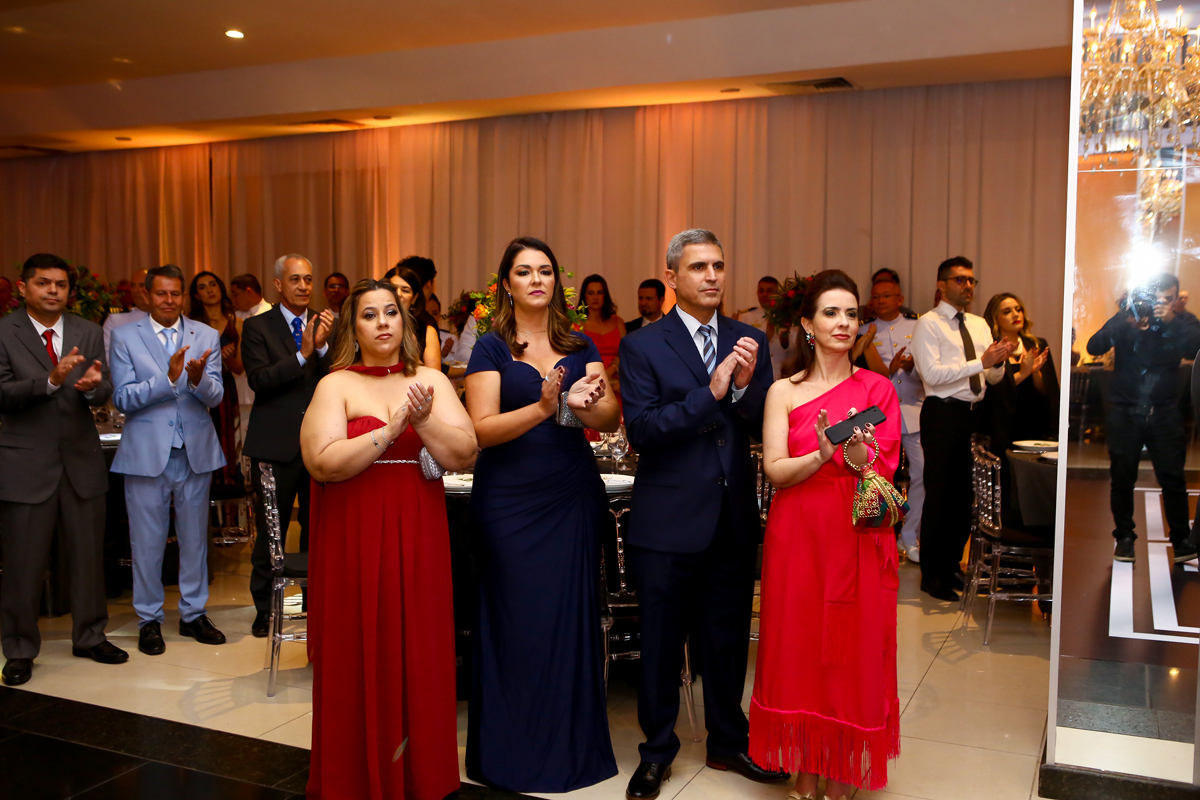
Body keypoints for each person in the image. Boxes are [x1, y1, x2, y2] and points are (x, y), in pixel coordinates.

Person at [619, 229, 782, 799]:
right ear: (672, 277)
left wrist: (742, 390)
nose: (712, 276)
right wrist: (710, 394)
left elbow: (765, 417)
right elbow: (643, 430)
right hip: (667, 520)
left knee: (728, 640)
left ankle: (728, 742)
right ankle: (656, 751)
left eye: (718, 265)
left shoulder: (748, 338)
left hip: (730, 517)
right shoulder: (643, 344)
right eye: (698, 267)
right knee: (662, 644)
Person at [302, 278, 476, 799]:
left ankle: (421, 775)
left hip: (418, 528)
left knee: (419, 645)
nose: (383, 323)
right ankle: (354, 777)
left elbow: (464, 455)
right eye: (369, 314)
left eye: (391, 313)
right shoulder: (335, 385)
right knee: (357, 647)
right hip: (354, 531)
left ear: (405, 323)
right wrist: (390, 428)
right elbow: (322, 463)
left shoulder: (432, 380)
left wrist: (423, 423)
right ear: (353, 328)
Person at [463, 237, 620, 792]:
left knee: (566, 619)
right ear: (506, 283)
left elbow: (609, 413)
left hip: (569, 493)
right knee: (515, 620)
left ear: (557, 282)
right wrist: (542, 407)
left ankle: (568, 751)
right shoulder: (490, 348)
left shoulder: (579, 343)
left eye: (545, 271)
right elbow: (481, 430)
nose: (536, 279)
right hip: (508, 500)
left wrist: (584, 406)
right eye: (524, 271)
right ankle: (509, 755)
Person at [748, 269, 901, 799]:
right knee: (798, 648)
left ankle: (841, 764)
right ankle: (804, 765)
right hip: (799, 534)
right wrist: (819, 455)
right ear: (808, 325)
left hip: (856, 533)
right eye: (831, 312)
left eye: (851, 313)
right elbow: (775, 470)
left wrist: (856, 453)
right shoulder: (782, 391)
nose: (843, 322)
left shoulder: (878, 389)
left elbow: (882, 470)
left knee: (852, 652)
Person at [0, 253, 127, 686]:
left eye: (60, 284)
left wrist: (93, 389)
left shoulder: (87, 331)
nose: (53, 291)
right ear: (24, 288)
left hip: (80, 463)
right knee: (23, 564)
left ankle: (90, 636)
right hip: (25, 465)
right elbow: (2, 393)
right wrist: (51, 381)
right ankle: (19, 648)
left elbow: (103, 386)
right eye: (43, 283)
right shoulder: (5, 332)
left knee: (88, 558)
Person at [110, 264, 227, 655]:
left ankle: (194, 614)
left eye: (176, 293)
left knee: (195, 541)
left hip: (194, 451)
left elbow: (216, 396)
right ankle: (149, 619)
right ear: (147, 295)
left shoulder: (205, 334)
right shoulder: (125, 336)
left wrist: (196, 379)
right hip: (145, 454)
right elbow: (122, 398)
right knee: (146, 543)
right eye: (161, 293)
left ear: (184, 296)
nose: (169, 300)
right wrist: (169, 379)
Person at [241, 254, 336, 637]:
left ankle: (318, 607)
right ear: (278, 284)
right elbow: (259, 380)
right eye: (295, 279)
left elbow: (341, 375)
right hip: (274, 446)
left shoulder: (326, 324)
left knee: (319, 531)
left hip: (321, 445)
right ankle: (265, 609)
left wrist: (323, 348)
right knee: (272, 531)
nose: (303, 286)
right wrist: (303, 354)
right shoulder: (257, 326)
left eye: (308, 279)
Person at [911, 256, 1013, 602]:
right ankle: (931, 574)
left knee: (963, 497)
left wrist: (997, 363)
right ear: (941, 285)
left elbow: (991, 377)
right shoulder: (928, 324)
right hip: (942, 414)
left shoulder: (979, 324)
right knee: (939, 494)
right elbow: (932, 375)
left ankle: (952, 563)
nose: (967, 286)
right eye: (960, 280)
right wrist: (980, 362)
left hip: (972, 414)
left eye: (971, 280)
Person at [1088, 273, 1200, 564]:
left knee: (1173, 478)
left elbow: (1195, 347)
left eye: (1167, 299)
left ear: (1176, 298)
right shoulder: (1128, 317)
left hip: (1165, 413)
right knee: (1122, 477)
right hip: (1125, 413)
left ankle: (1181, 540)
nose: (1160, 304)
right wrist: (1128, 321)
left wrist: (1171, 321)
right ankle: (1125, 538)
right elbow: (1094, 346)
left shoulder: (1183, 321)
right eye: (1155, 298)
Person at [860, 275, 924, 563]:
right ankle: (876, 538)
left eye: (887, 296)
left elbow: (930, 371)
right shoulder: (862, 331)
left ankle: (909, 536)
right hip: (877, 416)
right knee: (876, 478)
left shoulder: (917, 327)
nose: (880, 301)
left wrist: (909, 368)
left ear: (900, 299)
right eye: (876, 296)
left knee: (922, 474)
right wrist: (890, 368)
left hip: (913, 412)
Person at [981, 293, 1060, 515]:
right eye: (1007, 311)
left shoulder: (1036, 344)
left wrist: (1034, 372)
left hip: (1034, 422)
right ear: (995, 319)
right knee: (1005, 482)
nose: (1016, 315)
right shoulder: (992, 348)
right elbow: (993, 391)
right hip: (1002, 424)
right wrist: (1023, 373)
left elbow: (1047, 391)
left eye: (1018, 309)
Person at [187, 272, 244, 485]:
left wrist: (227, 359)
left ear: (220, 288)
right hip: (198, 388)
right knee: (202, 438)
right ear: (196, 295)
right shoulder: (190, 325)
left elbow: (239, 368)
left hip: (226, 387)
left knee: (228, 440)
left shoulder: (237, 323)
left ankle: (228, 488)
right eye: (202, 287)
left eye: (213, 284)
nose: (210, 290)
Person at [735, 275, 799, 379]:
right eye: (761, 291)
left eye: (769, 291)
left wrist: (785, 342)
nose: (765, 294)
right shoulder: (746, 317)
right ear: (757, 293)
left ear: (778, 293)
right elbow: (743, 351)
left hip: (783, 376)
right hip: (756, 376)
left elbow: (796, 349)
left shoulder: (788, 316)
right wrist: (767, 336)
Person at [230, 273, 272, 431]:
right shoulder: (235, 317)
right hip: (238, 389)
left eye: (235, 294)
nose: (234, 300)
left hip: (262, 389)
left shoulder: (271, 314)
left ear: (248, 291)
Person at [580, 273, 626, 405]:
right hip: (590, 383)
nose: (595, 297)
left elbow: (626, 354)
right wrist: (602, 378)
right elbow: (576, 358)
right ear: (584, 296)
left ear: (605, 295)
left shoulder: (618, 322)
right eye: (591, 293)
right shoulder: (577, 323)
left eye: (599, 293)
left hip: (617, 382)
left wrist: (612, 369)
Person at [384, 266, 442, 369]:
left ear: (414, 298)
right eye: (393, 289)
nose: (398, 294)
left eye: (405, 290)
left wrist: (412, 359)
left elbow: (434, 375)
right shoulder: (373, 326)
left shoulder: (427, 332)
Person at [102, 269, 150, 362]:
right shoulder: (116, 320)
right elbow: (106, 356)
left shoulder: (166, 318)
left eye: (141, 285)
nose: (136, 290)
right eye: (133, 285)